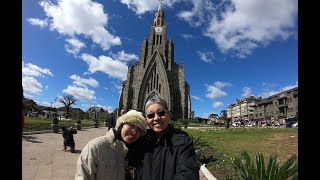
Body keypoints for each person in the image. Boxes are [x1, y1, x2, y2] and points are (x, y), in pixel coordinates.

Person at [128, 96, 200, 180]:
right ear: (146, 120)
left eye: (161, 113)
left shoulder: (183, 141)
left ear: (169, 115)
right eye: (151, 115)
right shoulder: (140, 141)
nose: (156, 118)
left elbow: (188, 173)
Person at [75, 109, 147, 180]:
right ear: (121, 124)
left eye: (139, 129)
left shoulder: (140, 153)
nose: (134, 132)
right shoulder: (96, 147)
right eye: (131, 125)